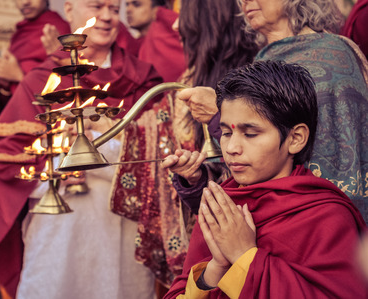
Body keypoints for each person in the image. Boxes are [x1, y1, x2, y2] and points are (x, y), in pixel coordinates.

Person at [0, 0, 163, 298]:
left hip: (121, 227)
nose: (106, 17)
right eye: (96, 6)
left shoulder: (142, 80)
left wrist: (102, 149)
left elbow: (162, 152)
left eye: (113, 7)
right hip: (59, 230)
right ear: (69, 10)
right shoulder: (42, 81)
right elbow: (4, 161)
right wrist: (53, 173)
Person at [162, 60, 368, 298]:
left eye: (250, 134)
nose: (232, 148)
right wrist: (215, 269)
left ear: (296, 138)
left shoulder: (327, 218)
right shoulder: (223, 206)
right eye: (227, 133)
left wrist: (244, 255)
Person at [112, 0, 258, 294]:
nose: (176, 25)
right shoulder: (194, 74)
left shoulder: (250, 79)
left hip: (246, 236)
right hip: (209, 238)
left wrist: (218, 113)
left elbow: (245, 167)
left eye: (185, 18)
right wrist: (193, 179)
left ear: (210, 23)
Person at [176, 0, 368, 220]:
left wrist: (217, 113)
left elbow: (273, 159)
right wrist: (195, 177)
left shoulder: (328, 55)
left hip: (313, 221)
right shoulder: (265, 60)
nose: (245, 1)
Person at [0, 0, 71, 110]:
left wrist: (19, 76)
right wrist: (5, 84)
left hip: (48, 115)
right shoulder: (19, 34)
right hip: (21, 109)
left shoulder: (59, 29)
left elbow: (67, 85)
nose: (25, 2)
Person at [125, 0, 185, 82]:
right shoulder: (135, 42)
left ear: (155, 9)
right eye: (127, 5)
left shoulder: (173, 27)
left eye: (136, 4)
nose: (128, 10)